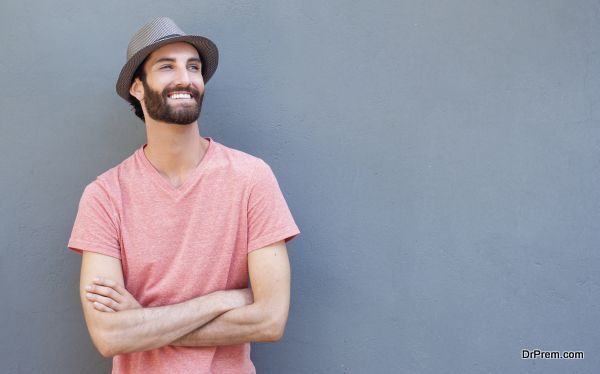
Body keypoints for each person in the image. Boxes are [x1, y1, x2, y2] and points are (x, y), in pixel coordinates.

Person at [67, 17, 300, 374]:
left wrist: (142, 323)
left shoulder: (252, 178)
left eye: (193, 67)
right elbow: (110, 336)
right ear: (137, 88)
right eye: (166, 67)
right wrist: (222, 300)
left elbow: (269, 320)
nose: (185, 78)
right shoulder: (104, 196)